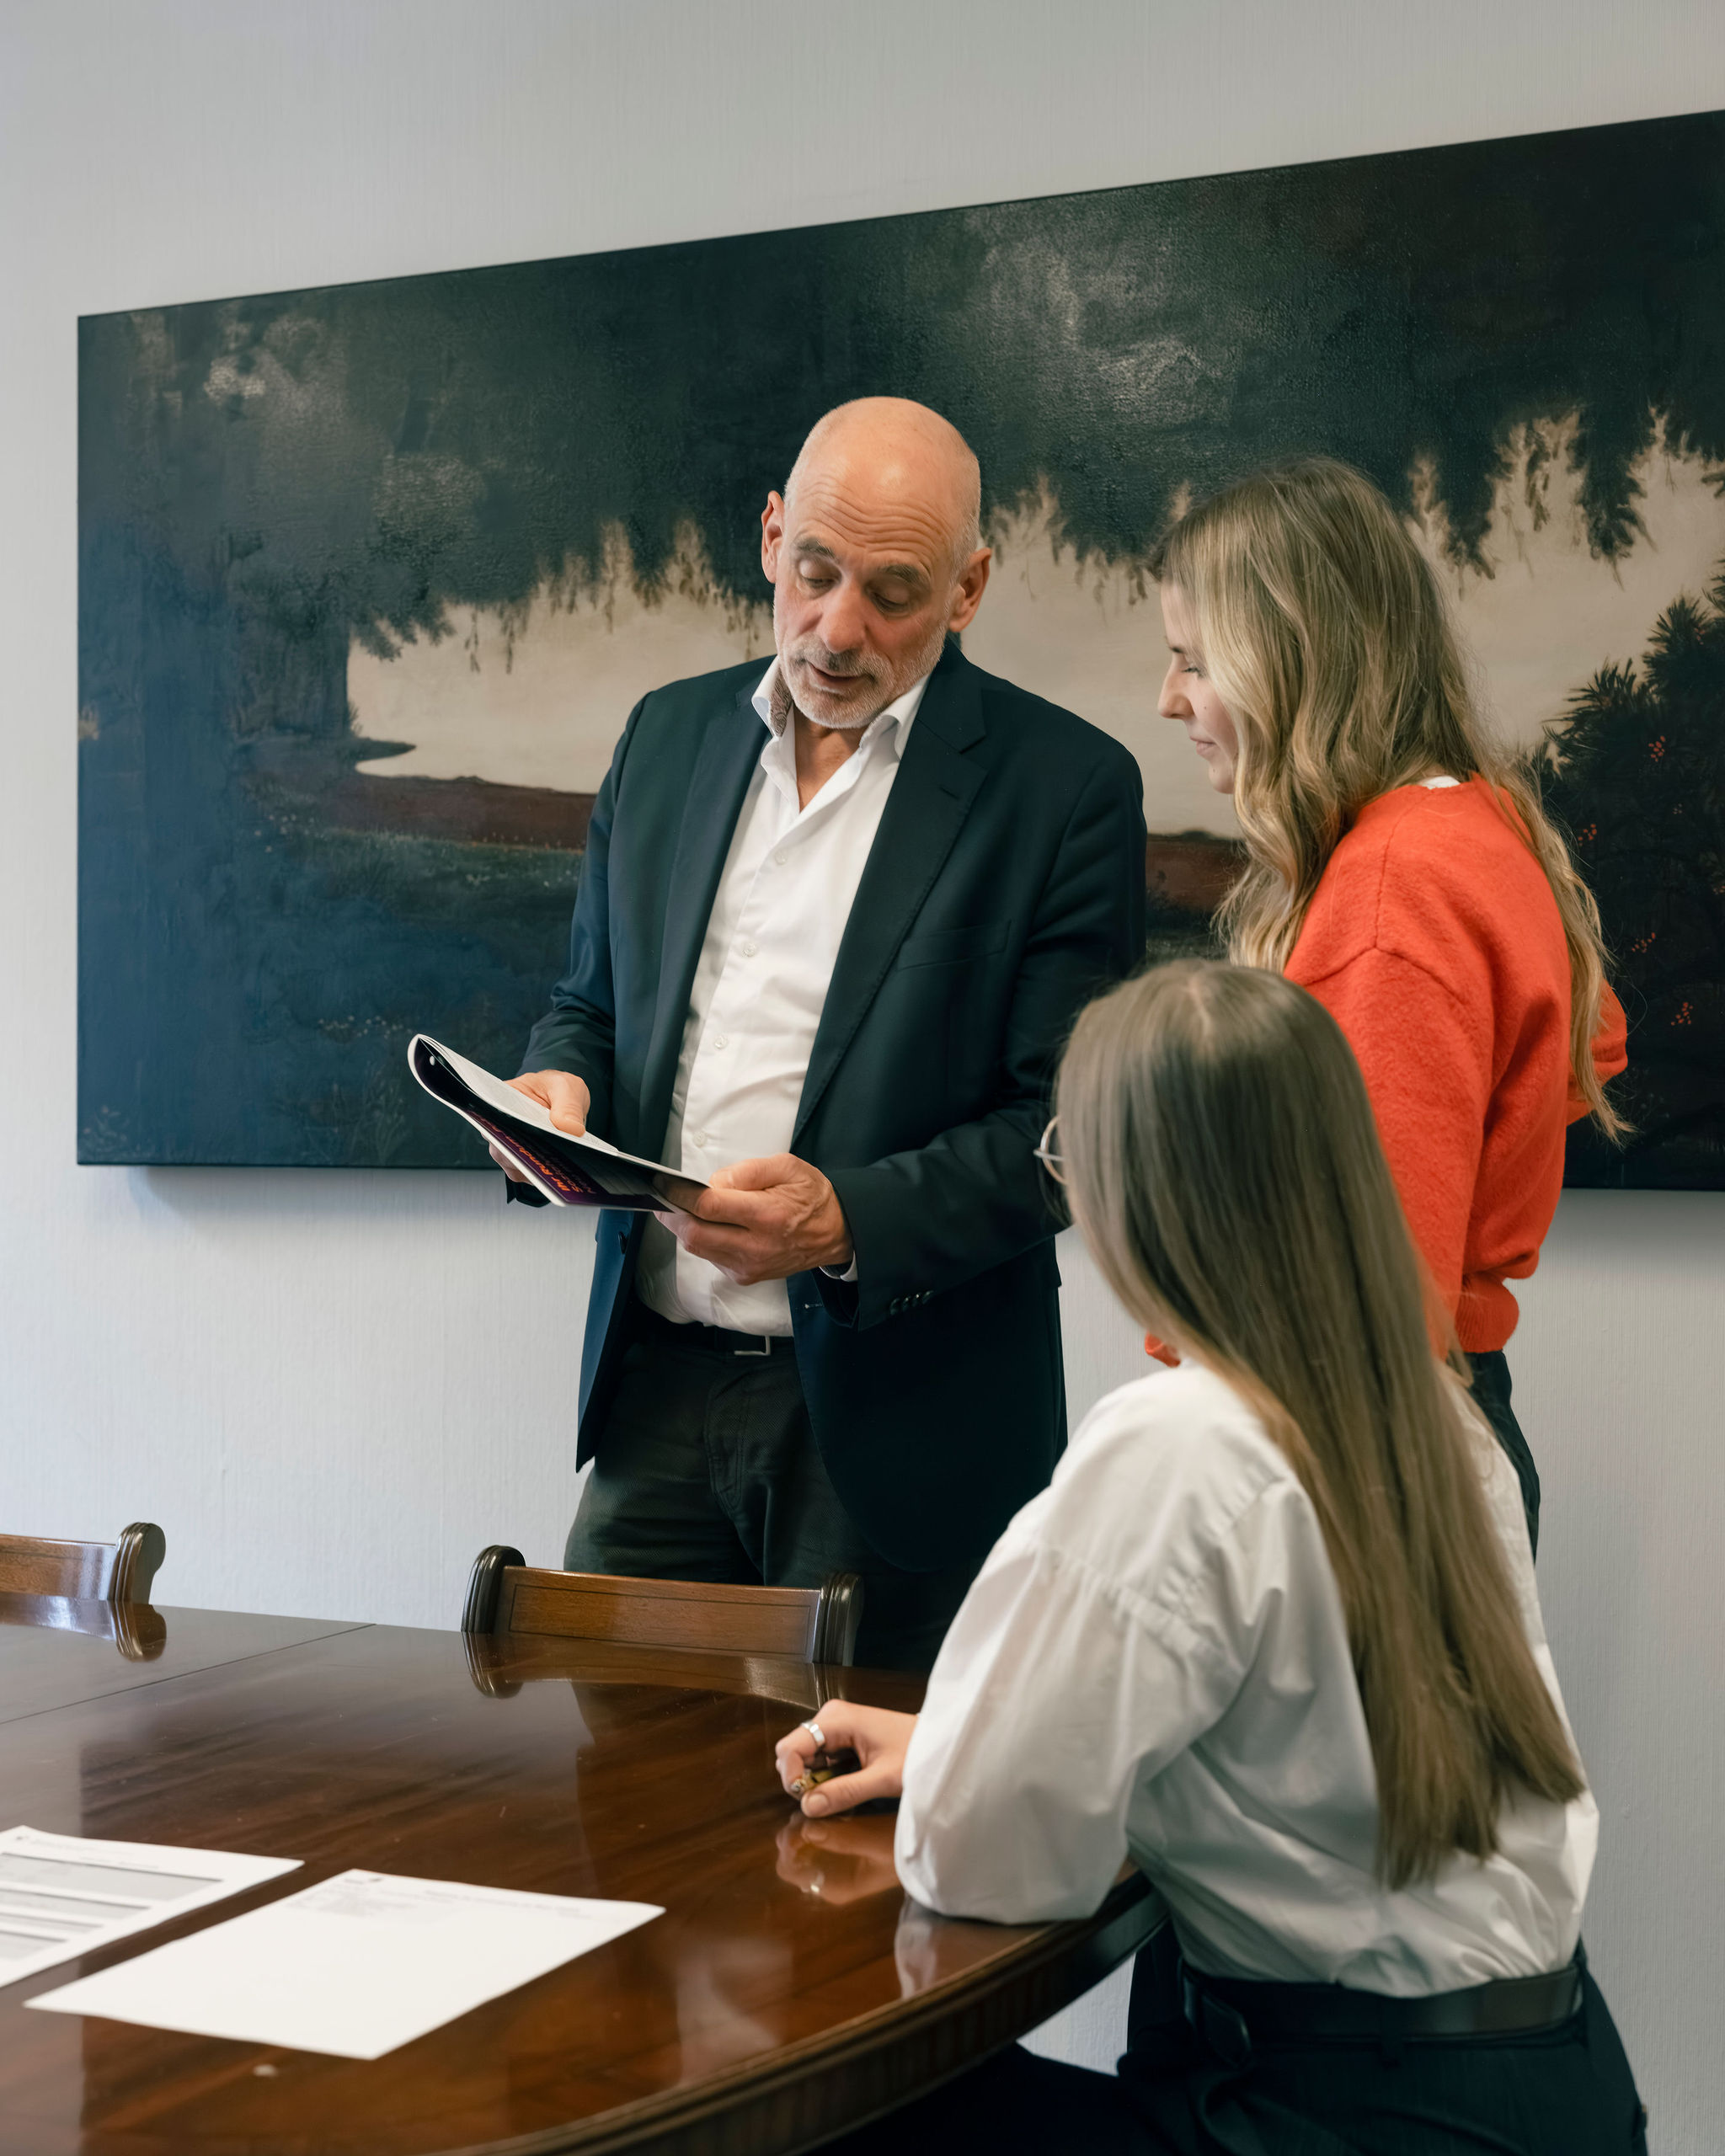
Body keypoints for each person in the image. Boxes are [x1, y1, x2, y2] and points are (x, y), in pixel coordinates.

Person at [774, 961, 1647, 2156]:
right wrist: (954, 1745)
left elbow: (989, 1865)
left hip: (1336, 2116)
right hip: (1548, 2087)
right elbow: (1295, 1765)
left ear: (1137, 1193)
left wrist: (964, 1768)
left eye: (1067, 1163)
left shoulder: (1180, 1443)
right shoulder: (1438, 1421)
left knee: (830, 2111)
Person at [498, 397, 1146, 1668]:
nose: (839, 629)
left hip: (906, 1425)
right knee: (611, 1771)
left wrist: (846, 1219)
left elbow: (1069, 1137)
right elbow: (590, 1007)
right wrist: (556, 1089)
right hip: (653, 1392)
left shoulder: (1065, 788)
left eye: (893, 593)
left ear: (968, 589)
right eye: (815, 572)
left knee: (865, 1794)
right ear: (770, 537)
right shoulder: (665, 735)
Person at [1153, 456, 1626, 1555]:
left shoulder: (1391, 892)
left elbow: (1365, 1303)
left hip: (1368, 1458)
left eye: (1194, 661)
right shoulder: (1475, 822)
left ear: (1290, 660)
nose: (1168, 697)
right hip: (1432, 1430)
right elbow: (1583, 1048)